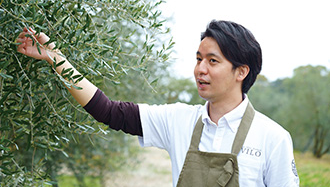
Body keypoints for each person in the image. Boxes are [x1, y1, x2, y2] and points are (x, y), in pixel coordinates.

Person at [16, 20, 300, 187]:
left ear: (241, 71)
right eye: (199, 58)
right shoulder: (179, 120)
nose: (200, 69)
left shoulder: (273, 138)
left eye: (213, 61)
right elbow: (108, 111)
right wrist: (56, 59)